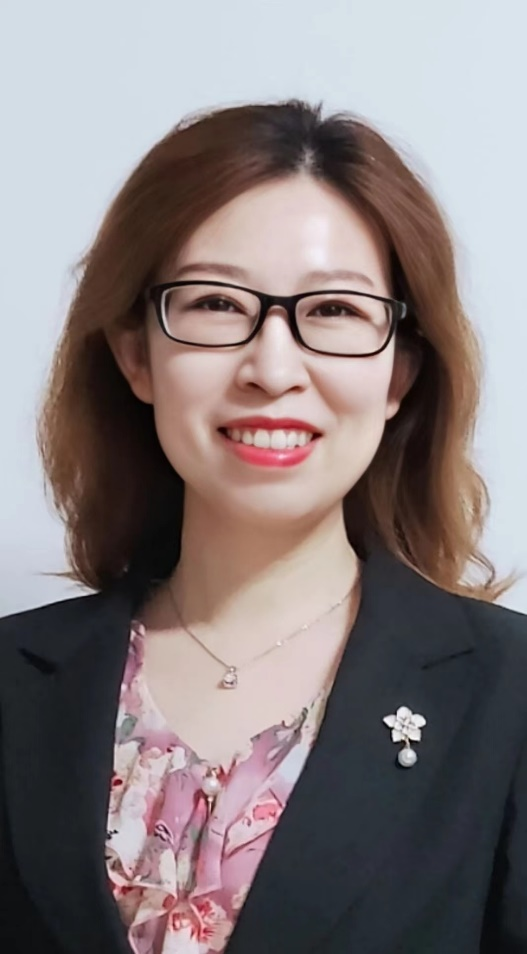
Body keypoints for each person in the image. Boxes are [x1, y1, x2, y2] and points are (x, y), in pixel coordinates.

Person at [0, 98, 526, 954]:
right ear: (136, 355)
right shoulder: (15, 684)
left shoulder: (508, 697)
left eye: (334, 311)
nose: (271, 368)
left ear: (400, 373)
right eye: (215, 303)